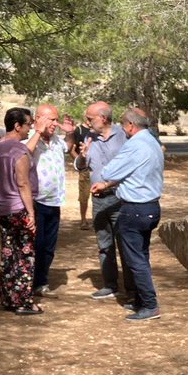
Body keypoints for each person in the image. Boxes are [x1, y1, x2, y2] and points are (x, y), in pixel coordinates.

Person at [91, 107, 165, 321]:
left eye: (123, 125)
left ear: (131, 125)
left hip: (134, 209)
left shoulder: (134, 145)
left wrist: (107, 179)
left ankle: (150, 305)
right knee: (142, 255)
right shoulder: (152, 141)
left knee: (135, 259)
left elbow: (108, 171)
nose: (122, 130)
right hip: (150, 206)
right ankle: (141, 299)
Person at [0, 107, 41, 315]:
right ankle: (23, 301)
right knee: (25, 254)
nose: (30, 128)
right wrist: (31, 213)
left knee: (9, 252)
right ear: (17, 126)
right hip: (18, 207)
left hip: (1, 207)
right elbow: (22, 183)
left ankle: (8, 297)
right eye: (28, 124)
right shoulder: (18, 150)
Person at [77, 101, 129, 300]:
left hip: (119, 198)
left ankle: (132, 290)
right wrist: (82, 157)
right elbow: (81, 166)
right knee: (104, 244)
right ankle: (110, 285)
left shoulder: (124, 136)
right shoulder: (89, 138)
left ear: (103, 118)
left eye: (90, 118)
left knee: (125, 244)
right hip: (98, 199)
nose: (87, 122)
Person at [30, 104, 68, 296]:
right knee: (36, 245)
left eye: (56, 119)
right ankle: (29, 282)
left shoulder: (57, 140)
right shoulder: (30, 139)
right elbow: (23, 153)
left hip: (55, 201)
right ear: (38, 118)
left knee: (49, 247)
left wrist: (70, 133)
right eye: (51, 119)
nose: (55, 124)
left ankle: (41, 281)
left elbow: (68, 147)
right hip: (36, 202)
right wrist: (38, 132)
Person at [67, 114, 96, 229]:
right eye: (88, 118)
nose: (90, 120)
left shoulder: (97, 130)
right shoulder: (79, 130)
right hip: (85, 169)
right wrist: (80, 162)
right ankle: (83, 219)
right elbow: (71, 149)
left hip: (98, 168)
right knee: (84, 195)